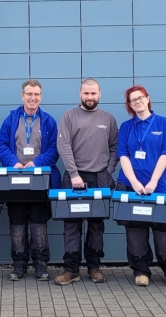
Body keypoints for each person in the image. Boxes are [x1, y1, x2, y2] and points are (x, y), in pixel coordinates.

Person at [53, 78, 118, 286]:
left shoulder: (108, 119)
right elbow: (63, 146)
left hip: (99, 177)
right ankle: (71, 269)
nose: (90, 97)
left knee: (96, 225)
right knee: (71, 225)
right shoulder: (69, 116)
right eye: (86, 93)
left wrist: (108, 172)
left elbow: (115, 148)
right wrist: (73, 174)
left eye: (93, 93)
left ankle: (94, 267)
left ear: (100, 94)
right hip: (74, 178)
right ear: (80, 94)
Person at [0, 79, 60, 281]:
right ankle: (19, 265)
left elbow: (54, 149)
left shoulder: (49, 121)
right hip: (15, 180)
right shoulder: (11, 119)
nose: (33, 98)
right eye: (29, 94)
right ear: (22, 95)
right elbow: (1, 145)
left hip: (40, 180)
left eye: (37, 94)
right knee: (18, 223)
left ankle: (40, 265)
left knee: (39, 224)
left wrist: (37, 163)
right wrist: (12, 162)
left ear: (41, 96)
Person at [117, 85, 166, 287]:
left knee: (165, 231)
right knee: (135, 231)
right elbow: (123, 156)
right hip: (130, 184)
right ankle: (141, 270)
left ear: (148, 98)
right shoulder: (126, 127)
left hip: (159, 185)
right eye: (132, 99)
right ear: (129, 104)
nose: (137, 101)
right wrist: (135, 183)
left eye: (140, 97)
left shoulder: (163, 123)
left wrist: (153, 181)